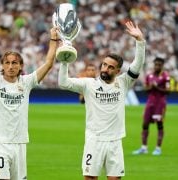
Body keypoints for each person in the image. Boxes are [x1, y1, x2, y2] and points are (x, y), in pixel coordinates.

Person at [58, 21, 145, 180]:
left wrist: (140, 41)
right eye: (104, 64)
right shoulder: (89, 84)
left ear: (118, 71)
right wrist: (64, 61)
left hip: (115, 141)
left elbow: (137, 65)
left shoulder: (123, 82)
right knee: (90, 178)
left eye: (110, 67)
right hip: (94, 140)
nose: (105, 68)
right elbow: (63, 82)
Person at [0, 24, 59, 180]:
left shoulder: (26, 83)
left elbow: (48, 64)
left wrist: (53, 40)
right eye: (7, 62)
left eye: (14, 63)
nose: (11, 66)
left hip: (20, 143)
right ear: (2, 65)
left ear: (21, 66)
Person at [132, 57, 170, 156]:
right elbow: (146, 90)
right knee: (145, 124)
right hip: (150, 103)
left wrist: (156, 87)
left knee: (159, 125)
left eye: (159, 65)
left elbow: (168, 91)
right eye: (156, 64)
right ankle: (144, 148)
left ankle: (158, 148)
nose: (157, 66)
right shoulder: (149, 76)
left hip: (160, 103)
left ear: (162, 66)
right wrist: (150, 87)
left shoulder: (166, 76)